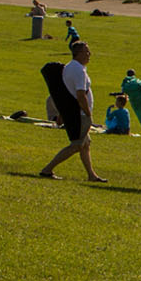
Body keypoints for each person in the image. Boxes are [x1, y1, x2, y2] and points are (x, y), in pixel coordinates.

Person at [38, 40, 106, 182]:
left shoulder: (71, 67)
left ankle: (91, 175)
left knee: (85, 144)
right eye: (87, 51)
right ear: (79, 53)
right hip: (80, 114)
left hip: (76, 112)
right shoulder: (78, 70)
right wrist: (88, 113)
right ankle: (47, 169)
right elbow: (80, 95)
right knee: (77, 145)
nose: (89, 54)